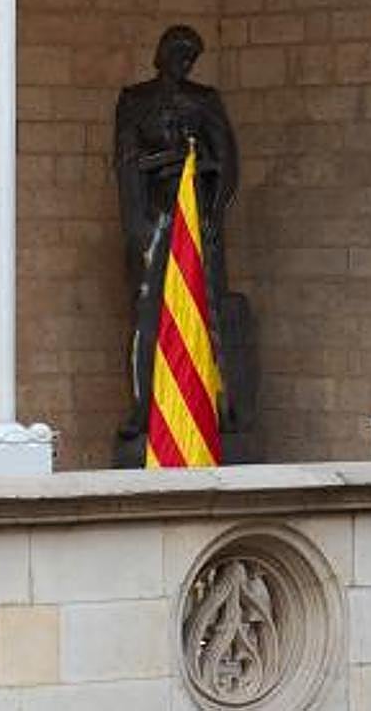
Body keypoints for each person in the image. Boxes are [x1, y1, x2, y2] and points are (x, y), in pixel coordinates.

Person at [113, 24, 252, 467]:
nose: (183, 63)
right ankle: (143, 407)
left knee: (205, 305)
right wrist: (136, 224)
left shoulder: (204, 99)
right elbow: (125, 162)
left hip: (195, 211)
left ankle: (216, 402)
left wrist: (211, 211)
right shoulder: (135, 99)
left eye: (190, 56)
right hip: (154, 211)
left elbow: (226, 160)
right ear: (160, 53)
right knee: (147, 309)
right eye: (177, 53)